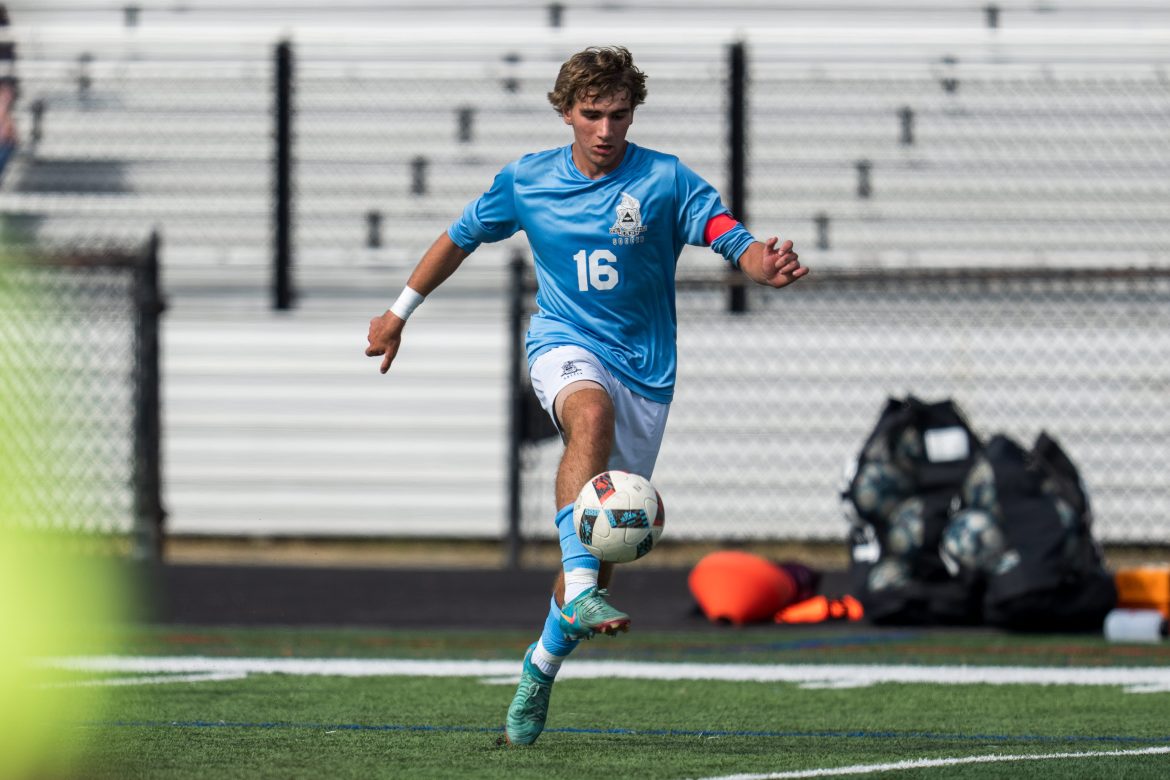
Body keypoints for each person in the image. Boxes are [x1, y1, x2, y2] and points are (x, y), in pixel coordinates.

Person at [365, 45, 807, 746]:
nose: (605, 129)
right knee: (587, 415)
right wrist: (398, 313)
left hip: (647, 373)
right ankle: (578, 591)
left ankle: (539, 669)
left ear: (634, 112)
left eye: (618, 114)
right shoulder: (526, 180)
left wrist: (764, 264)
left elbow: (729, 236)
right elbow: (457, 238)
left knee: (603, 548)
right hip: (564, 344)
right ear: (565, 111)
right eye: (591, 113)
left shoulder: (663, 179)